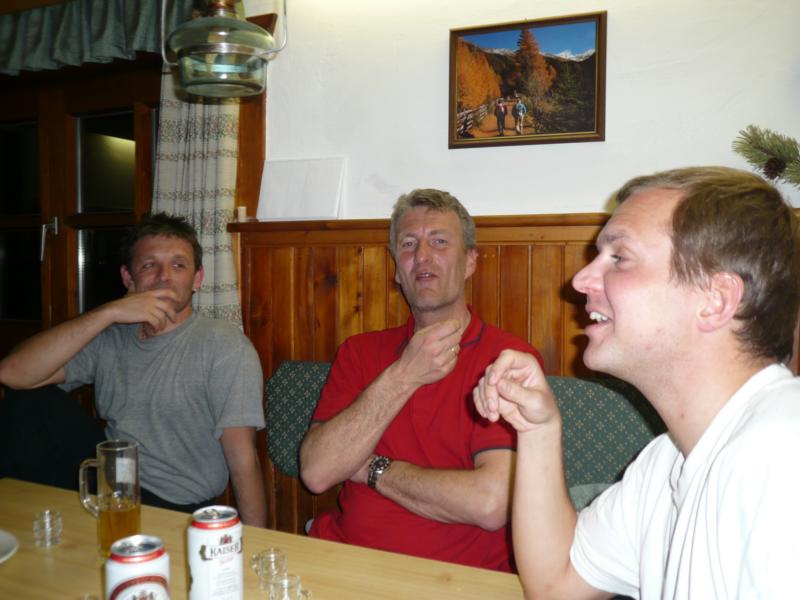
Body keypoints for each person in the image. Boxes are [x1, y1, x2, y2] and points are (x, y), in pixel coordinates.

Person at [474, 166, 800, 598]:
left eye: (620, 258)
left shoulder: (783, 458)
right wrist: (537, 430)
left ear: (715, 300)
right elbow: (556, 583)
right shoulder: (669, 459)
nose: (580, 281)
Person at [299, 189, 543, 571]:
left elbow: (491, 503)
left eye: (440, 242)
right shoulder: (359, 352)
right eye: (409, 244)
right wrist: (404, 375)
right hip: (343, 560)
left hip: (452, 580)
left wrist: (370, 468)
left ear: (470, 262)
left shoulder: (507, 359)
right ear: (397, 269)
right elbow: (317, 472)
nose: (423, 256)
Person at [0, 213, 267, 526]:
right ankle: (20, 522)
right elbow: (12, 373)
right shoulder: (113, 337)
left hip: (172, 504)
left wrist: (255, 543)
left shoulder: (224, 346)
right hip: (107, 481)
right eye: (149, 265)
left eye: (178, 265)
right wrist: (109, 312)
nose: (164, 277)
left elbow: (242, 458)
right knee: (29, 399)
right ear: (128, 279)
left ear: (197, 279)